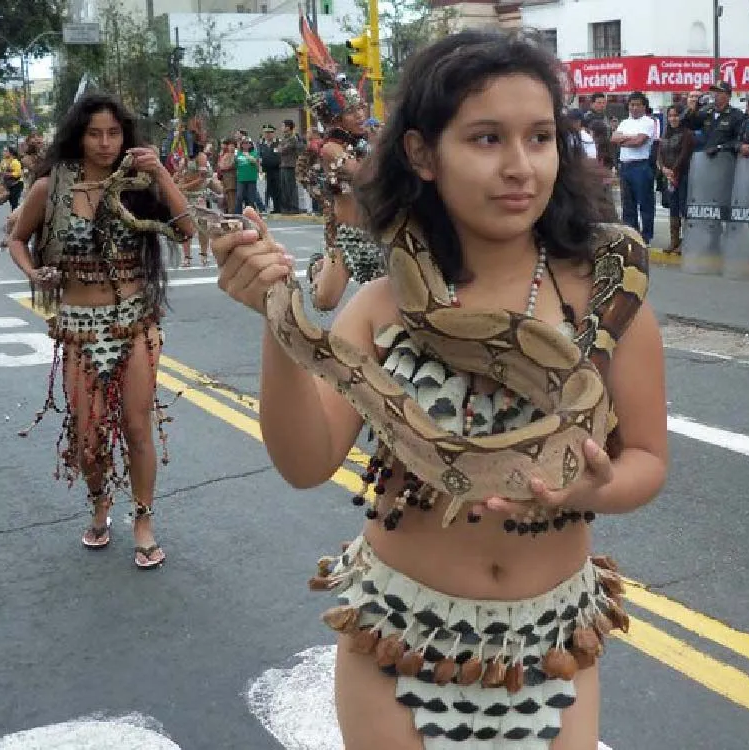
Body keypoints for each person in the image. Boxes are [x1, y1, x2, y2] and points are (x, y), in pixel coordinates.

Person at [211, 29, 667, 748]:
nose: (521, 166)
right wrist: (277, 317)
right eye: (486, 139)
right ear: (423, 153)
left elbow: (645, 457)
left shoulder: (603, 301)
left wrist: (589, 491)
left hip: (551, 638)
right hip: (402, 634)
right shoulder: (383, 304)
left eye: (540, 137)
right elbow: (304, 464)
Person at [6, 92, 195, 569]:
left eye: (113, 133)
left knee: (136, 427)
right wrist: (34, 274)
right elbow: (16, 238)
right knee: (87, 437)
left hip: (134, 322)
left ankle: (144, 520)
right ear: (79, 135)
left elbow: (188, 228)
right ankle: (99, 505)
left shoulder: (136, 181)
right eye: (95, 133)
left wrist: (162, 174)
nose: (106, 143)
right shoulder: (51, 187)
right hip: (78, 328)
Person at [295, 45, 382, 311]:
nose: (360, 115)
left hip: (379, 230)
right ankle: (318, 267)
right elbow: (365, 176)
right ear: (337, 118)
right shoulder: (332, 148)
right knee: (325, 301)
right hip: (349, 235)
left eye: (361, 109)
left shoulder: (368, 139)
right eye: (351, 111)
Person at [610, 91, 659, 244]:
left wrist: (623, 140)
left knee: (645, 203)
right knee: (628, 204)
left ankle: (646, 236)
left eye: (638, 104)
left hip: (641, 166)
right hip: (625, 166)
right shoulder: (624, 122)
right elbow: (613, 139)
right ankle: (632, 235)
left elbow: (640, 141)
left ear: (644, 106)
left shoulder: (648, 122)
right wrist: (630, 138)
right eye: (632, 105)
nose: (635, 108)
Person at [656, 105, 695, 253]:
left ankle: (686, 242)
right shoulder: (665, 133)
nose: (673, 118)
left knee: (684, 208)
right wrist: (664, 169)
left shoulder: (687, 134)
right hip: (668, 177)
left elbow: (684, 155)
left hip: (682, 175)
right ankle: (674, 241)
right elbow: (659, 154)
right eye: (671, 115)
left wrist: (674, 171)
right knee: (673, 209)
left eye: (676, 115)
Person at [279, 119, 304, 214]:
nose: (282, 128)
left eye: (283, 126)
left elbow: (284, 149)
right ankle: (286, 207)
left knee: (291, 187)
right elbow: (279, 149)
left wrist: (281, 148)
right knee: (284, 187)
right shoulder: (284, 138)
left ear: (288, 127)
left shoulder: (294, 138)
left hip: (291, 165)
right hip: (283, 165)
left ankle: (294, 207)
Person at [0, 145, 26, 210]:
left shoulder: (15, 162)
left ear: (11, 153)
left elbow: (18, 173)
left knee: (14, 202)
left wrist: (8, 174)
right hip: (9, 184)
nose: (3, 152)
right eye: (3, 151)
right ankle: (16, 214)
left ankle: (16, 215)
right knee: (11, 201)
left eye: (6, 151)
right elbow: (0, 169)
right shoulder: (4, 161)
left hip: (17, 184)